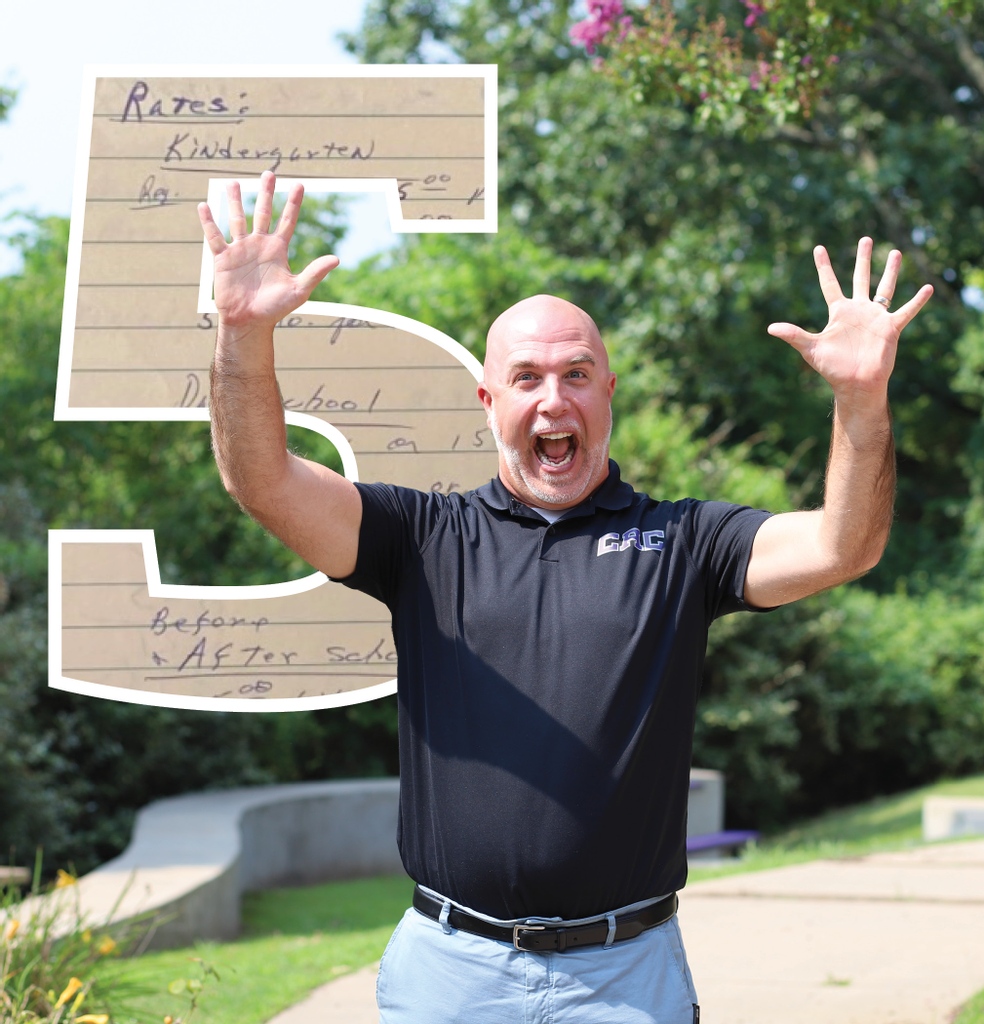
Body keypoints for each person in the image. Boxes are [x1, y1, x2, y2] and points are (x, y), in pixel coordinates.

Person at [197, 170, 932, 1023]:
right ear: (489, 402)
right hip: (449, 974)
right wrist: (242, 337)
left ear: (609, 393)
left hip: (627, 980)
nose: (555, 399)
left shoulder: (683, 542)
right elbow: (265, 485)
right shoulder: (423, 539)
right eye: (528, 378)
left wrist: (861, 402)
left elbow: (845, 545)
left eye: (578, 374)